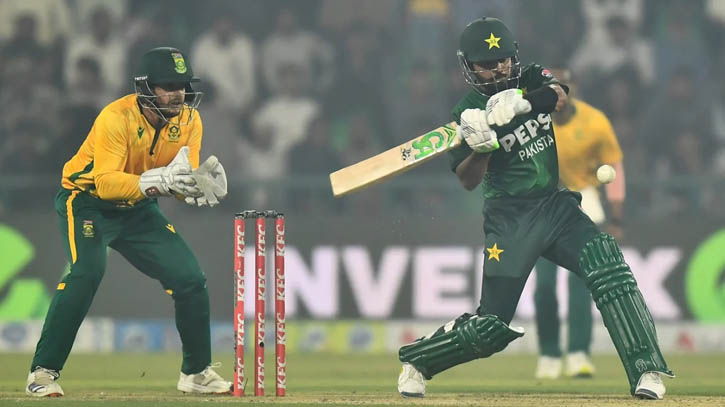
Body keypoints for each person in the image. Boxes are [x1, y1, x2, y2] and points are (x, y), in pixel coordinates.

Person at [396, 17, 673, 400]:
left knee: (607, 265)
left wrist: (523, 101)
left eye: (504, 60)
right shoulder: (466, 112)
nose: (499, 69)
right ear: (469, 67)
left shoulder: (529, 77)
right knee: (490, 327)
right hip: (509, 221)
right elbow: (468, 180)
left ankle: (647, 370)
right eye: (487, 64)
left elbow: (559, 95)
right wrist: (482, 148)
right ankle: (418, 360)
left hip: (555, 205)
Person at [25, 47, 229, 397]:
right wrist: (156, 182)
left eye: (182, 85)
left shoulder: (190, 121)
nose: (179, 93)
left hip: (137, 209)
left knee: (190, 279)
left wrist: (195, 187)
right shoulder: (115, 118)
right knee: (86, 272)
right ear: (146, 88)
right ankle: (43, 372)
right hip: (87, 202)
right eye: (168, 86)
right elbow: (105, 183)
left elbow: (179, 179)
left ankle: (196, 373)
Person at [533, 68, 626, 379]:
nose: (558, 95)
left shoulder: (595, 122)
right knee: (544, 286)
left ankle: (578, 354)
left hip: (584, 203)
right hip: (544, 205)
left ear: (573, 91)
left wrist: (616, 218)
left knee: (582, 284)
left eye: (564, 88)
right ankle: (548, 354)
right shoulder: (532, 124)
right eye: (551, 89)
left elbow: (614, 167)